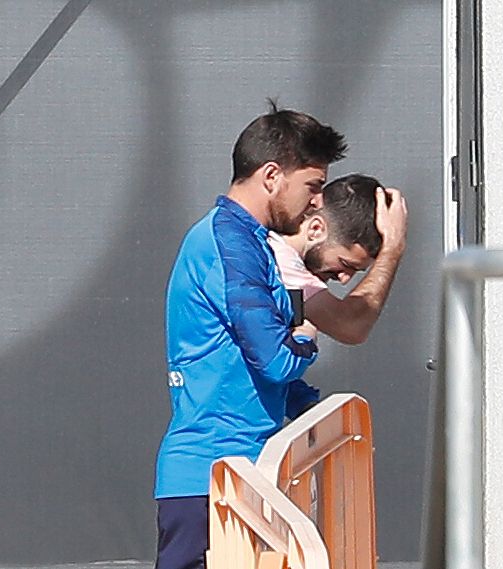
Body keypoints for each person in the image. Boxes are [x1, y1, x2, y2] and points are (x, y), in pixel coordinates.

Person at [154, 105, 347, 569]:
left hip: (249, 476)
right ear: (272, 175)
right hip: (210, 480)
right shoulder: (226, 241)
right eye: (313, 186)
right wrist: (308, 336)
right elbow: (276, 359)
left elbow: (269, 374)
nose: (317, 202)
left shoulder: (252, 243)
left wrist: (320, 417)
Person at [270, 173, 408, 347]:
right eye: (345, 264)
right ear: (316, 229)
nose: (344, 279)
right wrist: (392, 249)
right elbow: (350, 326)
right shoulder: (280, 260)